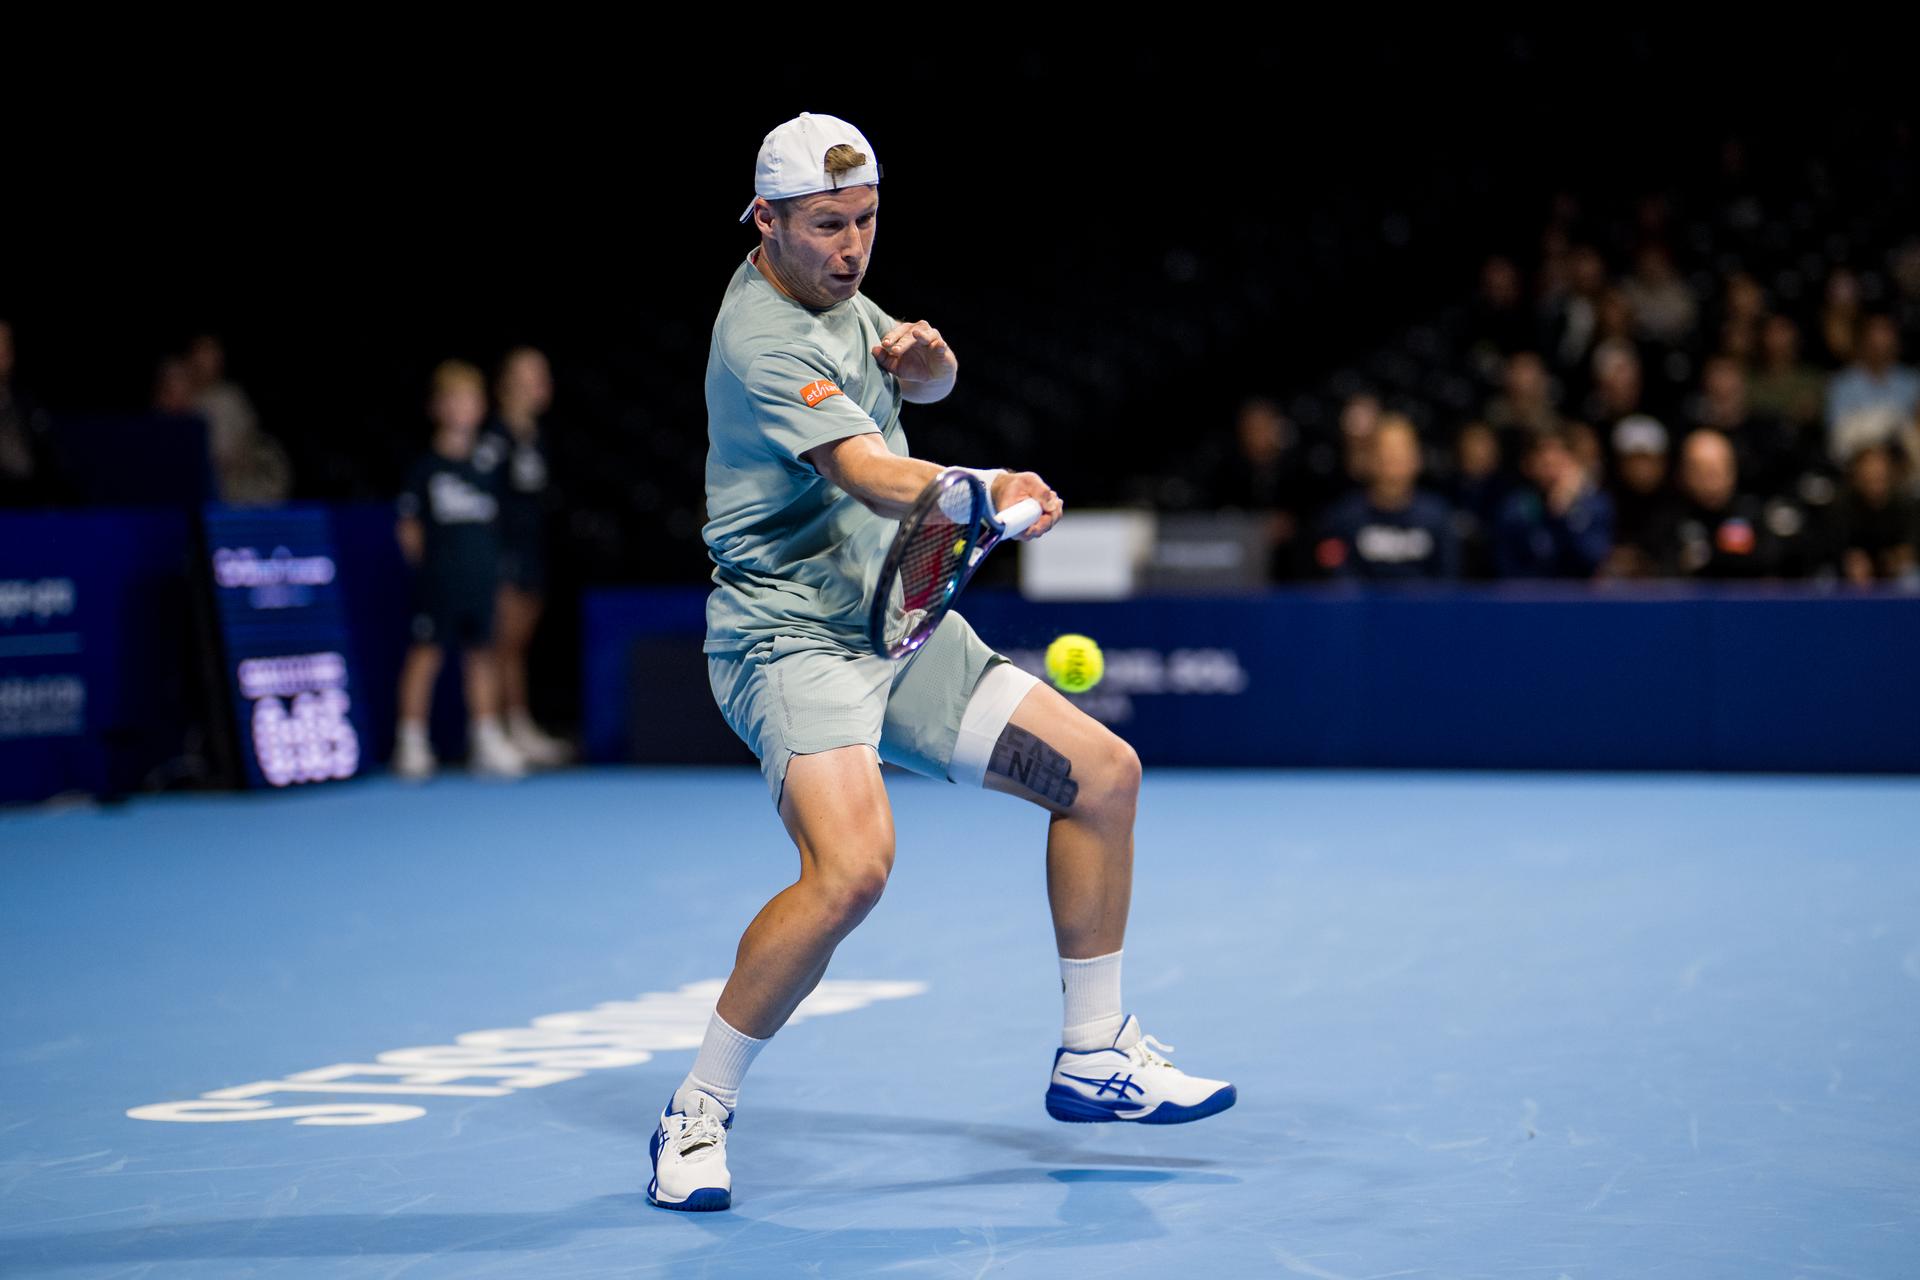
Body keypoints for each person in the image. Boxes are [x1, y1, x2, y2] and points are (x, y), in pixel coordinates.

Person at [655, 113, 1235, 1214]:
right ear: (764, 221)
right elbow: (874, 471)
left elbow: (906, 385)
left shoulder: (834, 295)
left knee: (1103, 775)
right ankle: (695, 1112)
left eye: (867, 220)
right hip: (790, 637)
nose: (852, 245)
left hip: (891, 621)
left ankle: (1094, 1051)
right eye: (827, 225)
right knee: (851, 870)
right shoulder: (761, 338)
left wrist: (936, 364)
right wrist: (992, 487)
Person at [392, 361, 525, 781]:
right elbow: (409, 529)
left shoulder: (487, 470)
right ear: (436, 408)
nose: (461, 409)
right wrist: (432, 570)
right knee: (425, 656)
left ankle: (485, 736)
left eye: (469, 400)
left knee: (481, 657)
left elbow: (497, 527)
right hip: (438, 584)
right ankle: (411, 741)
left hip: (480, 583)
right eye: (452, 400)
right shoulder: (426, 470)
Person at [474, 346, 569, 766]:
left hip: (531, 552)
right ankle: (489, 732)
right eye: (531, 376)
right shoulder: (494, 438)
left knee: (516, 646)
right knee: (497, 645)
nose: (541, 386)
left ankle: (517, 725)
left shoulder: (536, 438)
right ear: (507, 384)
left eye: (543, 376)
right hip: (502, 556)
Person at [1313, 413, 1459, 579]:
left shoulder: (1438, 516)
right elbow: (1338, 581)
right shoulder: (1343, 517)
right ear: (1369, 458)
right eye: (1385, 450)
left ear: (1417, 459)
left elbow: (1448, 583)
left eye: (1401, 450)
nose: (1393, 458)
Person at [1647, 429, 1780, 578]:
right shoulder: (1668, 519)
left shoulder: (1754, 515)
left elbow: (1773, 566)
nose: (1710, 482)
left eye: (1716, 471)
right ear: (1684, 473)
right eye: (1701, 472)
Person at [1492, 426, 1614, 579]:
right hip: (1530, 597)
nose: (1551, 471)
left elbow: (1593, 559)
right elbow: (1507, 568)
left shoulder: (1596, 503)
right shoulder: (1515, 508)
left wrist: (1566, 512)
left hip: (1580, 597)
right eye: (1544, 464)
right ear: (1528, 466)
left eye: (1557, 462)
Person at [1834, 442, 1918, 585]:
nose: (1874, 478)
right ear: (1857, 476)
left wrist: (1898, 558)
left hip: (1896, 572)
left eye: (1879, 476)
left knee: (1910, 575)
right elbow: (1835, 545)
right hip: (1851, 575)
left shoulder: (1906, 504)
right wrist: (1850, 559)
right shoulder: (1842, 505)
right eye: (1869, 476)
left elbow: (1910, 546)